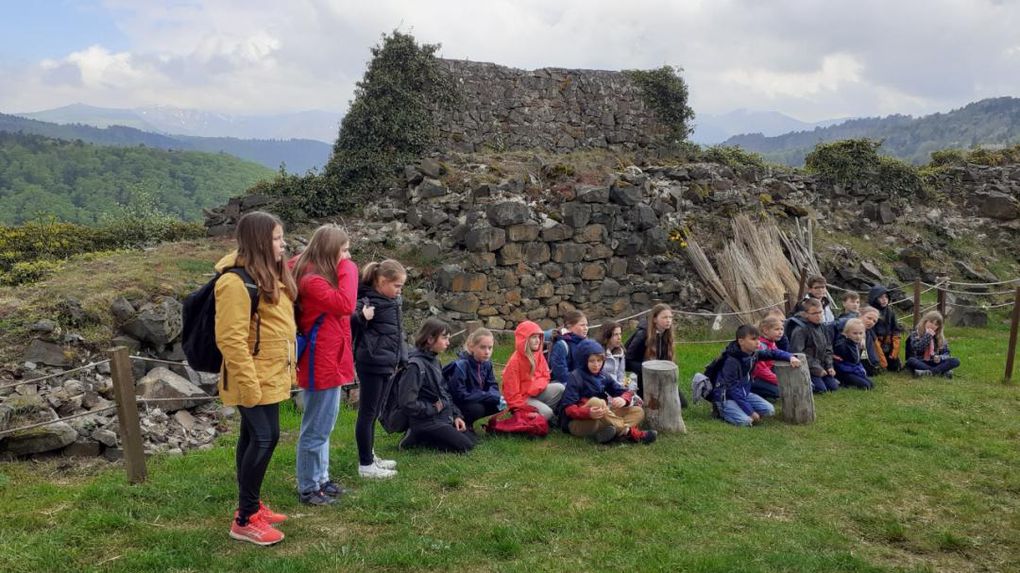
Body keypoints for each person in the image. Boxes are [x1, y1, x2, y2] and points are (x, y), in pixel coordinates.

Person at [216, 211, 296, 546]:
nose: (282, 244)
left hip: (270, 373)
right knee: (265, 439)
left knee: (254, 437)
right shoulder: (235, 282)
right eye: (277, 238)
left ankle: (250, 505)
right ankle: (246, 519)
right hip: (251, 377)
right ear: (260, 241)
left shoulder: (266, 275)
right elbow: (231, 339)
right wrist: (249, 384)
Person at [290, 224, 357, 506]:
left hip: (332, 357)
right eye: (344, 250)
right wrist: (349, 268)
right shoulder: (313, 281)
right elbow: (345, 304)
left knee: (325, 424)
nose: (348, 255)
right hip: (322, 360)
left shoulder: (314, 273)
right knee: (316, 427)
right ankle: (309, 487)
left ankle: (321, 479)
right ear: (331, 252)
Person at [351, 260, 406, 479]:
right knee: (367, 413)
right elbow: (349, 323)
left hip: (386, 363)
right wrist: (362, 317)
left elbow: (396, 333)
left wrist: (401, 358)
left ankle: (370, 455)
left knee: (374, 412)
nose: (399, 291)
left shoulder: (391, 301)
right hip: (372, 363)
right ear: (382, 281)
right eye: (397, 286)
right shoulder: (366, 300)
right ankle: (365, 465)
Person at [398, 319, 475, 452]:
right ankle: (417, 436)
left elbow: (444, 392)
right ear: (430, 339)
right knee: (465, 446)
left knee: (472, 438)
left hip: (441, 417)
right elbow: (406, 402)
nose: (448, 342)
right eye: (444, 338)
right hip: (424, 421)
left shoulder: (434, 361)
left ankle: (421, 437)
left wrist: (456, 416)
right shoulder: (414, 366)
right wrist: (433, 408)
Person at [559, 339, 656, 444]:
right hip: (578, 423)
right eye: (592, 361)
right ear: (584, 360)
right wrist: (588, 413)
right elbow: (568, 409)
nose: (596, 365)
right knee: (597, 402)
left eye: (599, 360)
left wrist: (623, 399)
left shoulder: (603, 375)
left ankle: (610, 433)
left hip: (602, 415)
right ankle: (628, 432)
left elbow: (623, 391)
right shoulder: (575, 376)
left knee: (637, 411)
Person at [710, 324, 800, 427]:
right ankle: (720, 411)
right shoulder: (731, 361)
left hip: (744, 393)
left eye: (758, 338)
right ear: (741, 341)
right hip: (726, 397)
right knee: (746, 422)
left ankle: (740, 409)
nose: (758, 342)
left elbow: (773, 353)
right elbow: (733, 389)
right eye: (753, 339)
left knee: (769, 411)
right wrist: (750, 411)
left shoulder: (753, 354)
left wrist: (790, 357)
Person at [501, 321, 565, 421]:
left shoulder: (538, 354)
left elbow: (546, 375)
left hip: (536, 393)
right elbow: (511, 394)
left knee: (560, 388)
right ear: (524, 339)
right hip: (522, 399)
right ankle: (530, 416)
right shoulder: (514, 362)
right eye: (533, 337)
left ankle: (541, 414)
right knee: (547, 413)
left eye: (539, 337)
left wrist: (535, 387)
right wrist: (523, 408)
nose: (538, 340)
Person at [625, 304, 685, 405]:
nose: (668, 320)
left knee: (682, 403)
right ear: (654, 319)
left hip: (661, 377)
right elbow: (627, 362)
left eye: (670, 317)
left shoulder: (666, 335)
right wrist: (648, 368)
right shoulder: (642, 335)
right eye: (664, 317)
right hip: (643, 378)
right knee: (655, 404)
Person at [444, 328, 502, 431]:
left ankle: (469, 422)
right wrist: (486, 395)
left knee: (499, 403)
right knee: (477, 409)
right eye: (483, 347)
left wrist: (495, 395)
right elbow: (459, 395)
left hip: (476, 398)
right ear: (472, 347)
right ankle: (463, 423)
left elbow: (493, 385)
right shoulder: (461, 366)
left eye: (490, 348)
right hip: (458, 404)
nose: (487, 352)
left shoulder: (487, 364)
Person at [789, 298, 839, 393]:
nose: (819, 316)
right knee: (821, 389)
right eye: (814, 313)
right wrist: (817, 369)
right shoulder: (800, 330)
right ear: (805, 314)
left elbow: (828, 348)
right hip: (807, 367)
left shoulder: (822, 327)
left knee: (833, 387)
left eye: (820, 312)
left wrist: (829, 366)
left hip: (821, 365)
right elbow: (798, 353)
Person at [905, 310, 961, 378]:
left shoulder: (939, 337)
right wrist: (928, 335)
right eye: (931, 322)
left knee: (955, 361)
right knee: (911, 360)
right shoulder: (915, 334)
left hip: (933, 362)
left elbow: (947, 354)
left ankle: (927, 372)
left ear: (939, 327)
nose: (932, 326)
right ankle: (942, 372)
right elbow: (918, 348)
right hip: (919, 361)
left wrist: (940, 357)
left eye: (936, 324)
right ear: (925, 321)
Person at [868, 284, 903, 372]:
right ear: (875, 299)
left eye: (886, 297)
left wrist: (894, 352)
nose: (884, 300)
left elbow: (896, 330)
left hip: (887, 344)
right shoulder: (870, 312)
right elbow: (872, 336)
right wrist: (881, 359)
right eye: (881, 297)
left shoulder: (890, 312)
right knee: (881, 366)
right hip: (875, 344)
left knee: (894, 366)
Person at [749, 316, 785, 400]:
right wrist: (779, 381)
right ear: (765, 331)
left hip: (767, 372)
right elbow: (760, 370)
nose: (780, 332)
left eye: (782, 329)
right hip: (754, 377)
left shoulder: (772, 343)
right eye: (777, 329)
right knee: (779, 391)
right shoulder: (760, 346)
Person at [548, 310, 589, 384]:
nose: (586, 328)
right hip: (567, 384)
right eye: (582, 325)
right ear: (569, 326)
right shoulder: (561, 345)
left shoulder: (586, 343)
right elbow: (561, 375)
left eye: (586, 325)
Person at [832, 318, 875, 390]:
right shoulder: (841, 345)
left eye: (860, 333)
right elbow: (838, 362)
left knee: (871, 384)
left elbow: (857, 360)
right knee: (866, 386)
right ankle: (843, 383)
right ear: (846, 333)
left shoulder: (856, 343)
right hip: (844, 371)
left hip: (853, 369)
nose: (858, 336)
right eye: (855, 333)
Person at [598, 320, 627, 388]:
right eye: (615, 334)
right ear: (607, 336)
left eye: (620, 334)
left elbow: (621, 376)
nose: (619, 337)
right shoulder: (598, 353)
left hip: (616, 390)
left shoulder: (620, 352)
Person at [858, 305, 883, 376]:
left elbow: (870, 352)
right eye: (869, 318)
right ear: (860, 315)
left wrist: (875, 364)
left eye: (874, 321)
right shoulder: (849, 328)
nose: (871, 322)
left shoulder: (868, 333)